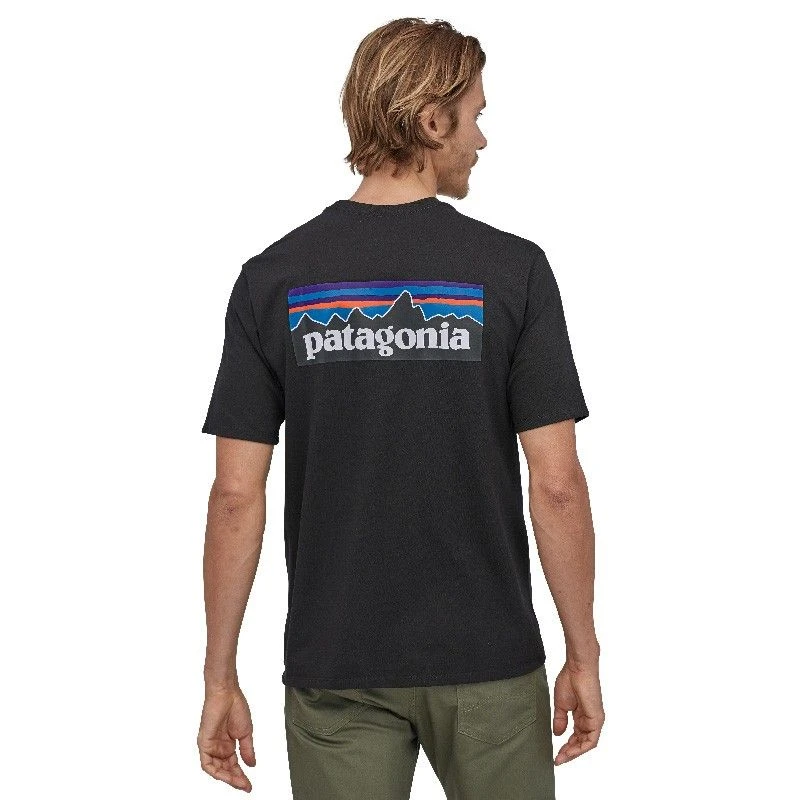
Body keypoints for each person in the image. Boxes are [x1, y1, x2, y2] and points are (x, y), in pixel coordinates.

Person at [197, 16, 604, 799]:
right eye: (475, 116)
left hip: (335, 667)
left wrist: (220, 676)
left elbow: (234, 496)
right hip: (489, 662)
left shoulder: (272, 278)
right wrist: (582, 655)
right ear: (431, 121)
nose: (481, 139)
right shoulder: (512, 272)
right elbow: (557, 486)